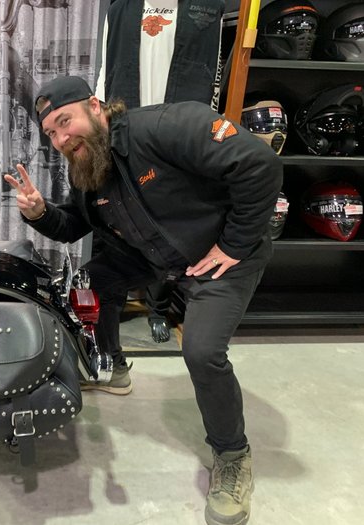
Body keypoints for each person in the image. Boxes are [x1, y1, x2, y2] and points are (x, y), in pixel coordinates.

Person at [4, 75, 281, 525]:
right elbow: (74, 226)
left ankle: (232, 455)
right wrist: (39, 213)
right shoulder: (87, 164)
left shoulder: (166, 127)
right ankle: (114, 369)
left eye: (64, 121)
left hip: (220, 258)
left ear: (95, 106)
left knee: (202, 351)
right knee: (92, 281)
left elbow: (260, 165)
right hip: (158, 258)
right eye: (51, 133)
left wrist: (233, 245)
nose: (60, 139)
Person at [95, 0, 226, 344]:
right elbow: (106, 71)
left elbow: (212, 76)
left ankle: (158, 308)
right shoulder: (120, 9)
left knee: (170, 221)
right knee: (123, 218)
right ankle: (115, 303)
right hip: (129, 126)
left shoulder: (207, 9)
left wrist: (206, 129)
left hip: (178, 133)